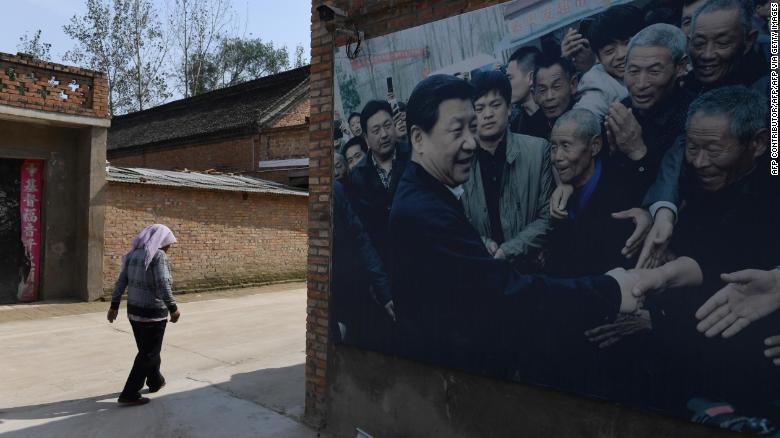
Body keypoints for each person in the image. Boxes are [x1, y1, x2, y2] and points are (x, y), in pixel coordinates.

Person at [389, 74, 641, 383]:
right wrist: (609, 290)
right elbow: (504, 293)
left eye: (472, 127)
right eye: (458, 131)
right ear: (418, 139)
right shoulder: (424, 211)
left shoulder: (428, 191)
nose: (471, 142)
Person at [638, 0, 769, 268]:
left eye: (722, 43)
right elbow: (685, 145)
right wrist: (663, 211)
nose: (707, 54)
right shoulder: (691, 80)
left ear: (748, 40)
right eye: (698, 43)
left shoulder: (770, 77)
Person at [462, 71, 552, 272]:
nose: (488, 114)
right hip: (483, 272)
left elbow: (548, 217)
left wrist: (509, 250)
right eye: (479, 108)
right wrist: (482, 243)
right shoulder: (461, 162)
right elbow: (458, 221)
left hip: (532, 270)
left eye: (495, 105)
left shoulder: (538, 150)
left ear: (509, 108)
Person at [544, 109, 638, 277]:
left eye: (566, 146)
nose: (557, 157)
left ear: (594, 146)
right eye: (553, 147)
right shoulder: (555, 190)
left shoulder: (621, 188)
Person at [108, 224, 181, 406]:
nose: (169, 247)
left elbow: (121, 281)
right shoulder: (159, 256)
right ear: (162, 242)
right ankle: (130, 393)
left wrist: (114, 305)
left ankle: (155, 381)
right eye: (168, 243)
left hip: (134, 312)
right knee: (149, 353)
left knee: (147, 351)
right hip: (153, 313)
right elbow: (163, 283)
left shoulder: (133, 255)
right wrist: (173, 307)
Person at [348, 100, 411, 262]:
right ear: (366, 139)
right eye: (376, 130)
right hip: (385, 261)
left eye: (387, 126)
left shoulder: (415, 158)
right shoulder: (357, 177)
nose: (384, 134)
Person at [572, 5, 644, 120]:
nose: (621, 55)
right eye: (609, 51)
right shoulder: (597, 84)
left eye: (627, 43)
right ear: (598, 59)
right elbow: (581, 121)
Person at [505, 46, 548, 138]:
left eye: (510, 78)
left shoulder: (552, 115)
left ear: (530, 78)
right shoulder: (516, 126)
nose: (506, 85)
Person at [532, 56, 579, 140]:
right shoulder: (531, 130)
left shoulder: (586, 118)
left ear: (573, 84)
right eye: (542, 90)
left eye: (556, 87)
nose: (549, 97)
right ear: (534, 94)